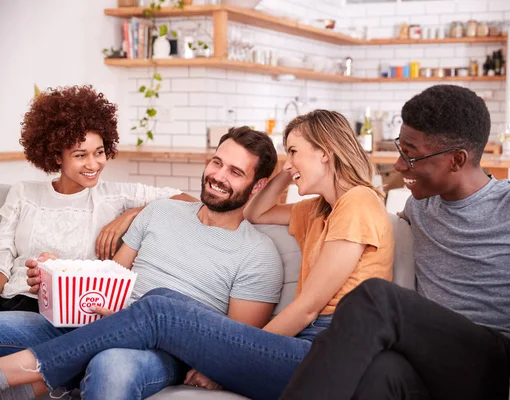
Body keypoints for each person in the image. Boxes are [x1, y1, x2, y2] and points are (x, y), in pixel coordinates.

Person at [0, 109, 395, 400]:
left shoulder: (357, 202)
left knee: (157, 307)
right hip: (110, 320)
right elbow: (258, 212)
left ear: (326, 153)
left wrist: (225, 364)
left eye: (295, 152)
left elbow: (306, 310)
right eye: (217, 162)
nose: (219, 175)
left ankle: (18, 372)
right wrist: (284, 171)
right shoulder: (318, 210)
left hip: (323, 345)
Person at [280, 85, 510, 400]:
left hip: (494, 364)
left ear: (456, 161)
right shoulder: (419, 206)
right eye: (400, 149)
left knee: (376, 299)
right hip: (432, 363)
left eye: (412, 155)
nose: (400, 165)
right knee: (381, 371)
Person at [0, 126, 284, 400]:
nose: (218, 176)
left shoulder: (259, 254)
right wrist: (60, 274)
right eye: (217, 163)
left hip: (162, 350)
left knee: (112, 366)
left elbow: (231, 342)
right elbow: (112, 278)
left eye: (235, 172)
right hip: (98, 323)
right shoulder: (160, 211)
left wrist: (216, 373)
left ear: (258, 185)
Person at [0, 85, 192, 313]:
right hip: (12, 302)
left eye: (99, 152)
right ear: (56, 156)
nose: (93, 164)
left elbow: (187, 200)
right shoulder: (23, 194)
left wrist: (133, 214)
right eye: (80, 155)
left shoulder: (114, 196)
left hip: (64, 311)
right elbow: (2, 263)